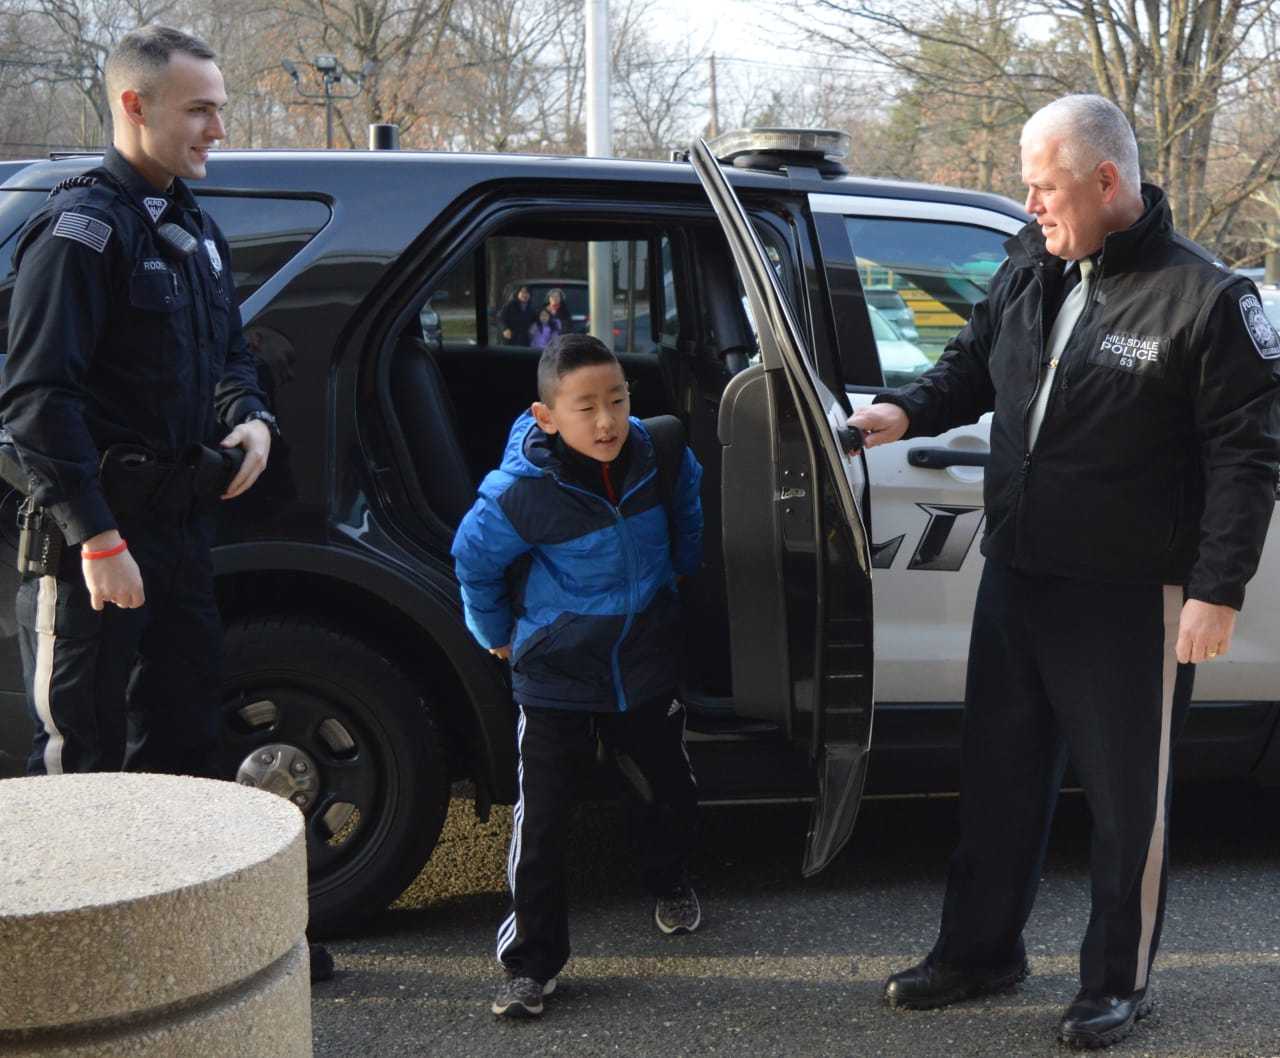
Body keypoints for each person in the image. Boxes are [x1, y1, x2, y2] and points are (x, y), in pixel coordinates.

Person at [850, 94, 1280, 1050]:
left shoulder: (1205, 298)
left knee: (1129, 802)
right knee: (997, 776)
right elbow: (972, 364)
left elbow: (1247, 459)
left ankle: (1116, 985)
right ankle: (978, 953)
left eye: (1044, 187)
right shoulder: (1030, 265)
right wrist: (905, 412)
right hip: (1021, 572)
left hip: (1131, 593)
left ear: (1106, 179)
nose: (1030, 204)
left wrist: (1217, 588)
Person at [0, 24, 333, 984]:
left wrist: (252, 419)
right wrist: (96, 536)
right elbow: (34, 402)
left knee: (187, 741)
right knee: (80, 762)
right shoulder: (80, 233)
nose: (218, 127)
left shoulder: (189, 226)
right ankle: (66, 981)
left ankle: (192, 960)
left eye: (220, 107)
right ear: (134, 106)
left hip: (182, 530)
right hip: (96, 540)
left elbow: (232, 354)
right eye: (200, 108)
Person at [451, 333, 704, 1018]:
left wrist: (683, 571)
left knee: (668, 786)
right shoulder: (521, 493)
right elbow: (472, 561)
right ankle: (532, 966)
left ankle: (669, 879)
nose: (606, 422)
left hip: (644, 657)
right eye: (586, 407)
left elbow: (687, 503)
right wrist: (496, 636)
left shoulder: (659, 453)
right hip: (558, 669)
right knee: (545, 823)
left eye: (617, 401)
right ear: (546, 417)